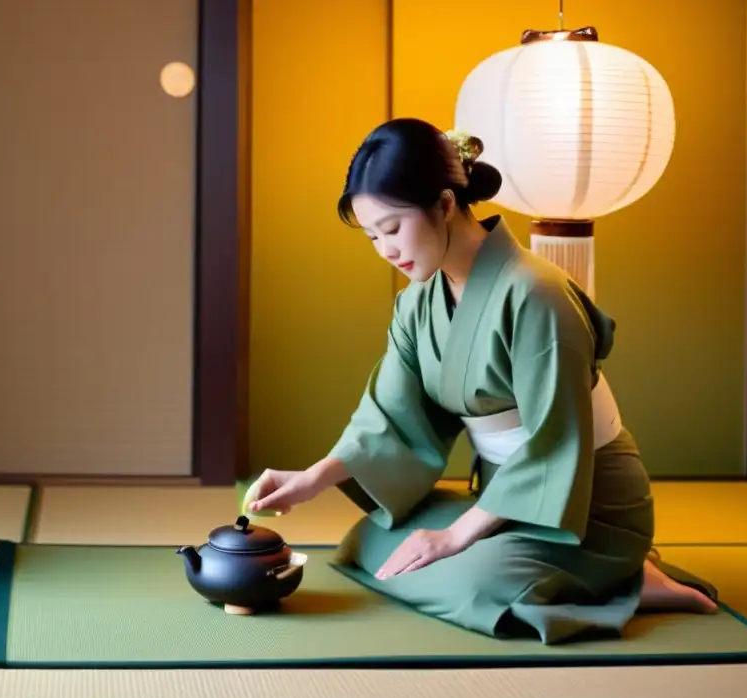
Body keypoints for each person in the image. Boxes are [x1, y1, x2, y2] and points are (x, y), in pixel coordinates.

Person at [246, 117, 719, 644]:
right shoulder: (418, 302)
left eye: (394, 227)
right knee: (368, 542)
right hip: (506, 495)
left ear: (445, 204)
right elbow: (391, 414)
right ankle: (521, 558)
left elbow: (554, 442)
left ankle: (627, 577)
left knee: (474, 584)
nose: (386, 250)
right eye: (373, 235)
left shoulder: (538, 294)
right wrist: (314, 477)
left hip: (584, 503)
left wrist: (452, 538)